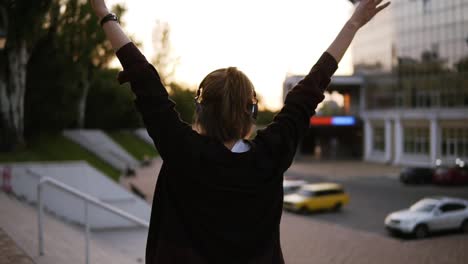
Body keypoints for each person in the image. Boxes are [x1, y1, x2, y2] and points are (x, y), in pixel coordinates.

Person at [90, 0, 390, 263]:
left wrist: (103, 12)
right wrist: (353, 23)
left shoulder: (182, 150)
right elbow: (312, 86)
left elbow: (145, 80)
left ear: (200, 110)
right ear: (252, 112)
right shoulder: (272, 154)